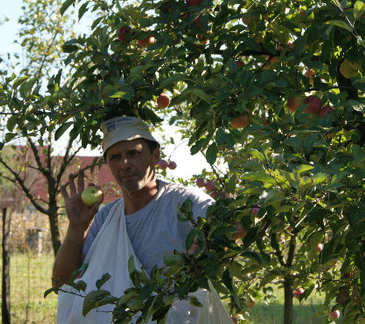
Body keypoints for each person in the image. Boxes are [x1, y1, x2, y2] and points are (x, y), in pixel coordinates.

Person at [53, 115, 231, 323]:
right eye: (115, 157)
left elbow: (229, 226)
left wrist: (204, 250)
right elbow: (62, 284)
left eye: (134, 153)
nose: (125, 164)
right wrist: (76, 228)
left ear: (155, 156)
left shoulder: (186, 201)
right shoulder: (106, 218)